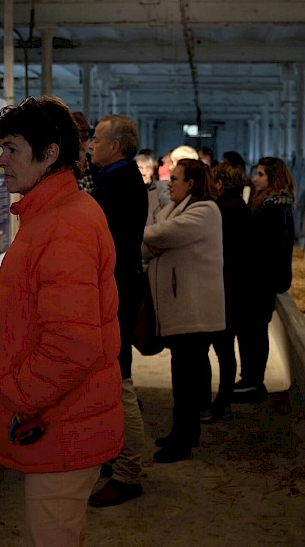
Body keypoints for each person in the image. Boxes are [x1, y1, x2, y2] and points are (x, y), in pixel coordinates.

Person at [0, 95, 123, 546]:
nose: (0, 161)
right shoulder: (54, 215)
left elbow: (73, 346)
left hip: (62, 422)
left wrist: (17, 393)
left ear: (49, 154)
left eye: (11, 149)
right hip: (65, 418)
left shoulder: (63, 225)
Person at [142, 159, 225, 463]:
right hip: (182, 309)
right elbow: (154, 233)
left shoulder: (205, 211)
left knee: (186, 379)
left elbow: (160, 234)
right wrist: (153, 236)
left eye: (175, 179)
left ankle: (183, 439)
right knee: (183, 375)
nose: (169, 184)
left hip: (195, 311)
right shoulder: (177, 208)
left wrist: (152, 235)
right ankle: (184, 433)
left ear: (191, 183)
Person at [87, 114, 148, 507]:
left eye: (95, 139)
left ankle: (128, 472)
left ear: (115, 147)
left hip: (115, 292)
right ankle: (118, 459)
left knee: (119, 379)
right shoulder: (119, 180)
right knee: (114, 376)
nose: (90, 145)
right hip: (117, 289)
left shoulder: (116, 183)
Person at [233, 156, 295, 401]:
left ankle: (253, 381)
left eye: (260, 175)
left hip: (262, 279)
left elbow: (265, 247)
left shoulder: (274, 207)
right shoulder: (272, 204)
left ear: (273, 178)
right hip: (261, 278)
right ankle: (249, 378)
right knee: (251, 330)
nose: (255, 179)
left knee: (254, 331)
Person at [199, 162, 254, 421]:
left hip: (224, 288)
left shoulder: (222, 211)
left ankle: (219, 403)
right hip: (236, 287)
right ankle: (222, 401)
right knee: (225, 348)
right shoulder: (240, 207)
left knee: (218, 348)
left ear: (219, 183)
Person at [136, 152, 170, 226]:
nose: (144, 173)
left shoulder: (160, 188)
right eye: (140, 168)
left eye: (147, 169)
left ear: (152, 171)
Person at [72, 111, 95, 192]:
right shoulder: (61, 172)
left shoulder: (97, 168)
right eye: (75, 135)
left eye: (84, 134)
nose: (79, 141)